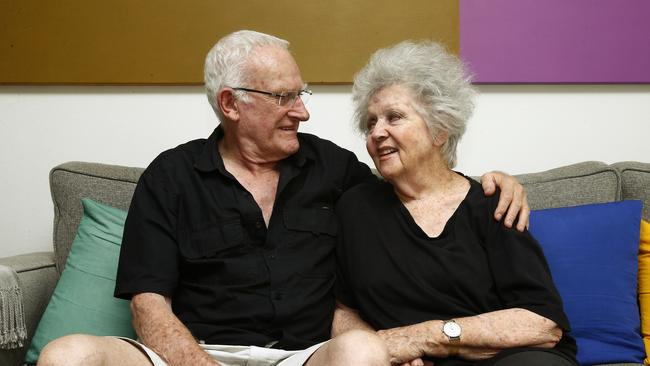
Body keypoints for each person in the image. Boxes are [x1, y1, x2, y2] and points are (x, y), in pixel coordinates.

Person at [37, 31, 529, 366]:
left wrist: (490, 182)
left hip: (304, 355)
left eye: (302, 94)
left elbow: (412, 185)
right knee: (68, 354)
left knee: (363, 352)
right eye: (284, 98)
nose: (303, 112)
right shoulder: (171, 177)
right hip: (189, 353)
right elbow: (149, 305)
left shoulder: (332, 169)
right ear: (232, 103)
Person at [333, 40, 577, 366]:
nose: (377, 133)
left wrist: (425, 337)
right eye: (371, 123)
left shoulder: (492, 204)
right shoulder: (355, 208)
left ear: (440, 130)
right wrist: (379, 350)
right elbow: (342, 309)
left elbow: (542, 323)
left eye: (393, 117)